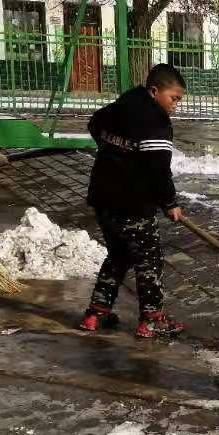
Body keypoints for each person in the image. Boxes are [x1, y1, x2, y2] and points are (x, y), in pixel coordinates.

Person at [77, 63, 187, 340]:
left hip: (103, 198)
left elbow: (94, 123)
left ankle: (96, 313)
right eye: (174, 99)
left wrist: (115, 154)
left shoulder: (122, 105)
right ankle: (152, 319)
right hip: (133, 203)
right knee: (149, 259)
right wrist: (170, 203)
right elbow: (158, 168)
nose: (175, 106)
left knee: (119, 254)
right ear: (155, 91)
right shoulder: (155, 121)